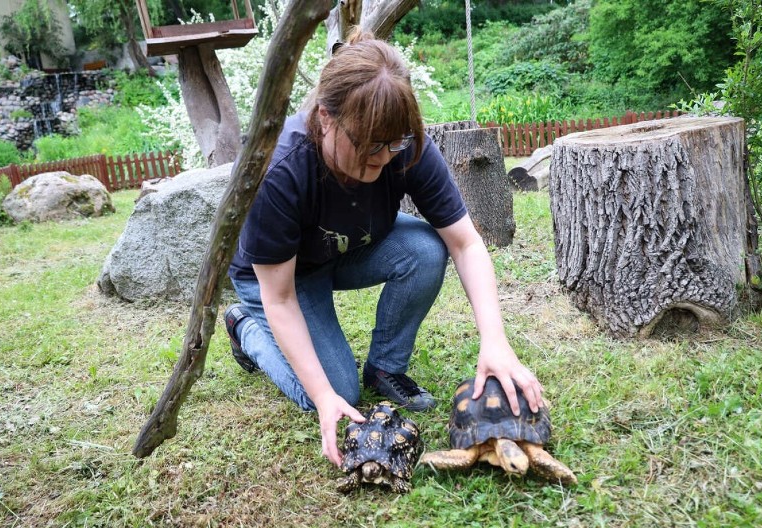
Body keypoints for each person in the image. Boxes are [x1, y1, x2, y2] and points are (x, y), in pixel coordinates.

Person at [224, 30, 544, 467]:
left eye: (393, 144)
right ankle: (246, 329)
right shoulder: (281, 169)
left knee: (426, 249)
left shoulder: (403, 146)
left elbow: (466, 244)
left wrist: (495, 340)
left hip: (343, 251)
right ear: (325, 118)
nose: (381, 159)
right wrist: (322, 396)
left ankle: (385, 368)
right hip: (285, 278)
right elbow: (278, 297)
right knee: (335, 392)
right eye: (368, 145)